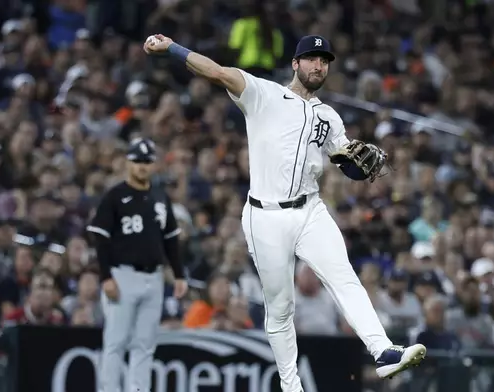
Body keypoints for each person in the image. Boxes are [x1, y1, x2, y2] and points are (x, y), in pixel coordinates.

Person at [143, 34, 426, 391]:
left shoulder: (329, 116)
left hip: (310, 210)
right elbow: (215, 71)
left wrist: (360, 166)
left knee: (344, 277)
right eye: (310, 58)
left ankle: (382, 351)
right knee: (280, 307)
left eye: (323, 60)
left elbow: (345, 164)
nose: (317, 65)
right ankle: (291, 386)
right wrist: (171, 48)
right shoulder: (262, 93)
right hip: (265, 215)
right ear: (295, 63)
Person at [86, 138, 188, 392]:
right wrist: (105, 276)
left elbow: (171, 239)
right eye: (137, 161)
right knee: (116, 341)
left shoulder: (160, 197)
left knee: (144, 343)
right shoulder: (115, 196)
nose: (142, 166)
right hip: (122, 276)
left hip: (153, 278)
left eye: (146, 162)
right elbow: (100, 238)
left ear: (154, 166)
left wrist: (178, 275)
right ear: (128, 163)